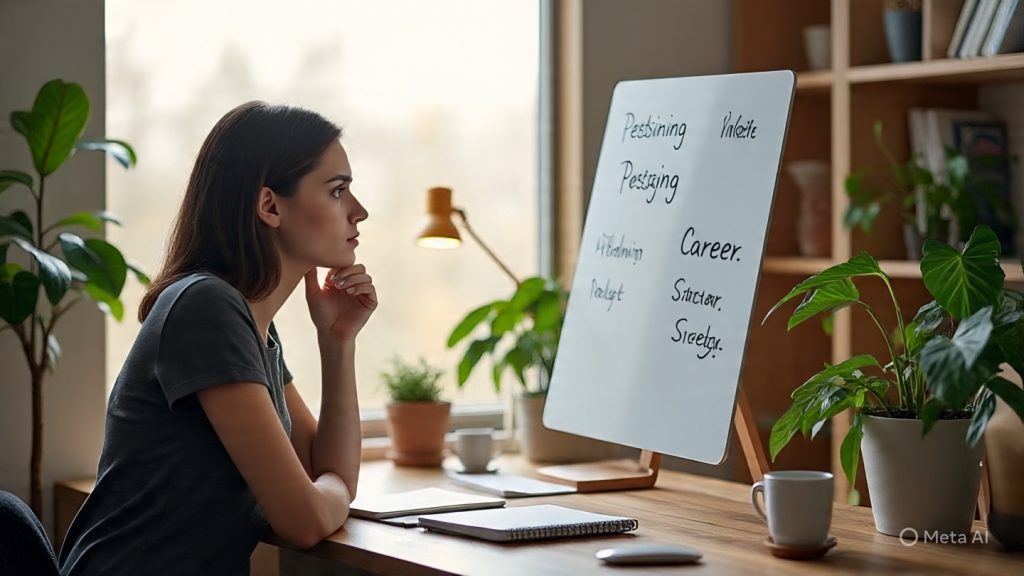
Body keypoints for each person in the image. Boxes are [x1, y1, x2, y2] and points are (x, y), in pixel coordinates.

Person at [58, 101, 374, 576]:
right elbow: (305, 519)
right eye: (337, 191)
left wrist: (336, 342)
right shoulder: (206, 308)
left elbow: (322, 472)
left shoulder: (249, 324)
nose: (359, 212)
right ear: (269, 205)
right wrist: (333, 492)